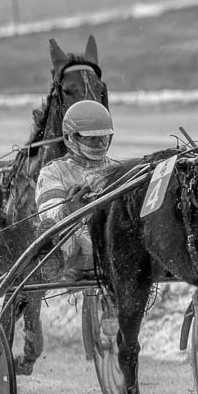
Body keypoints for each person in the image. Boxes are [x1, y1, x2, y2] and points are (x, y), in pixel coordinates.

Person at [36, 100, 116, 280]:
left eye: (104, 137)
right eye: (92, 138)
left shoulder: (118, 169)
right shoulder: (53, 171)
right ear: (71, 137)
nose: (101, 144)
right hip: (76, 247)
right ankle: (52, 257)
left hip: (113, 241)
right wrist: (69, 209)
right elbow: (47, 213)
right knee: (71, 233)